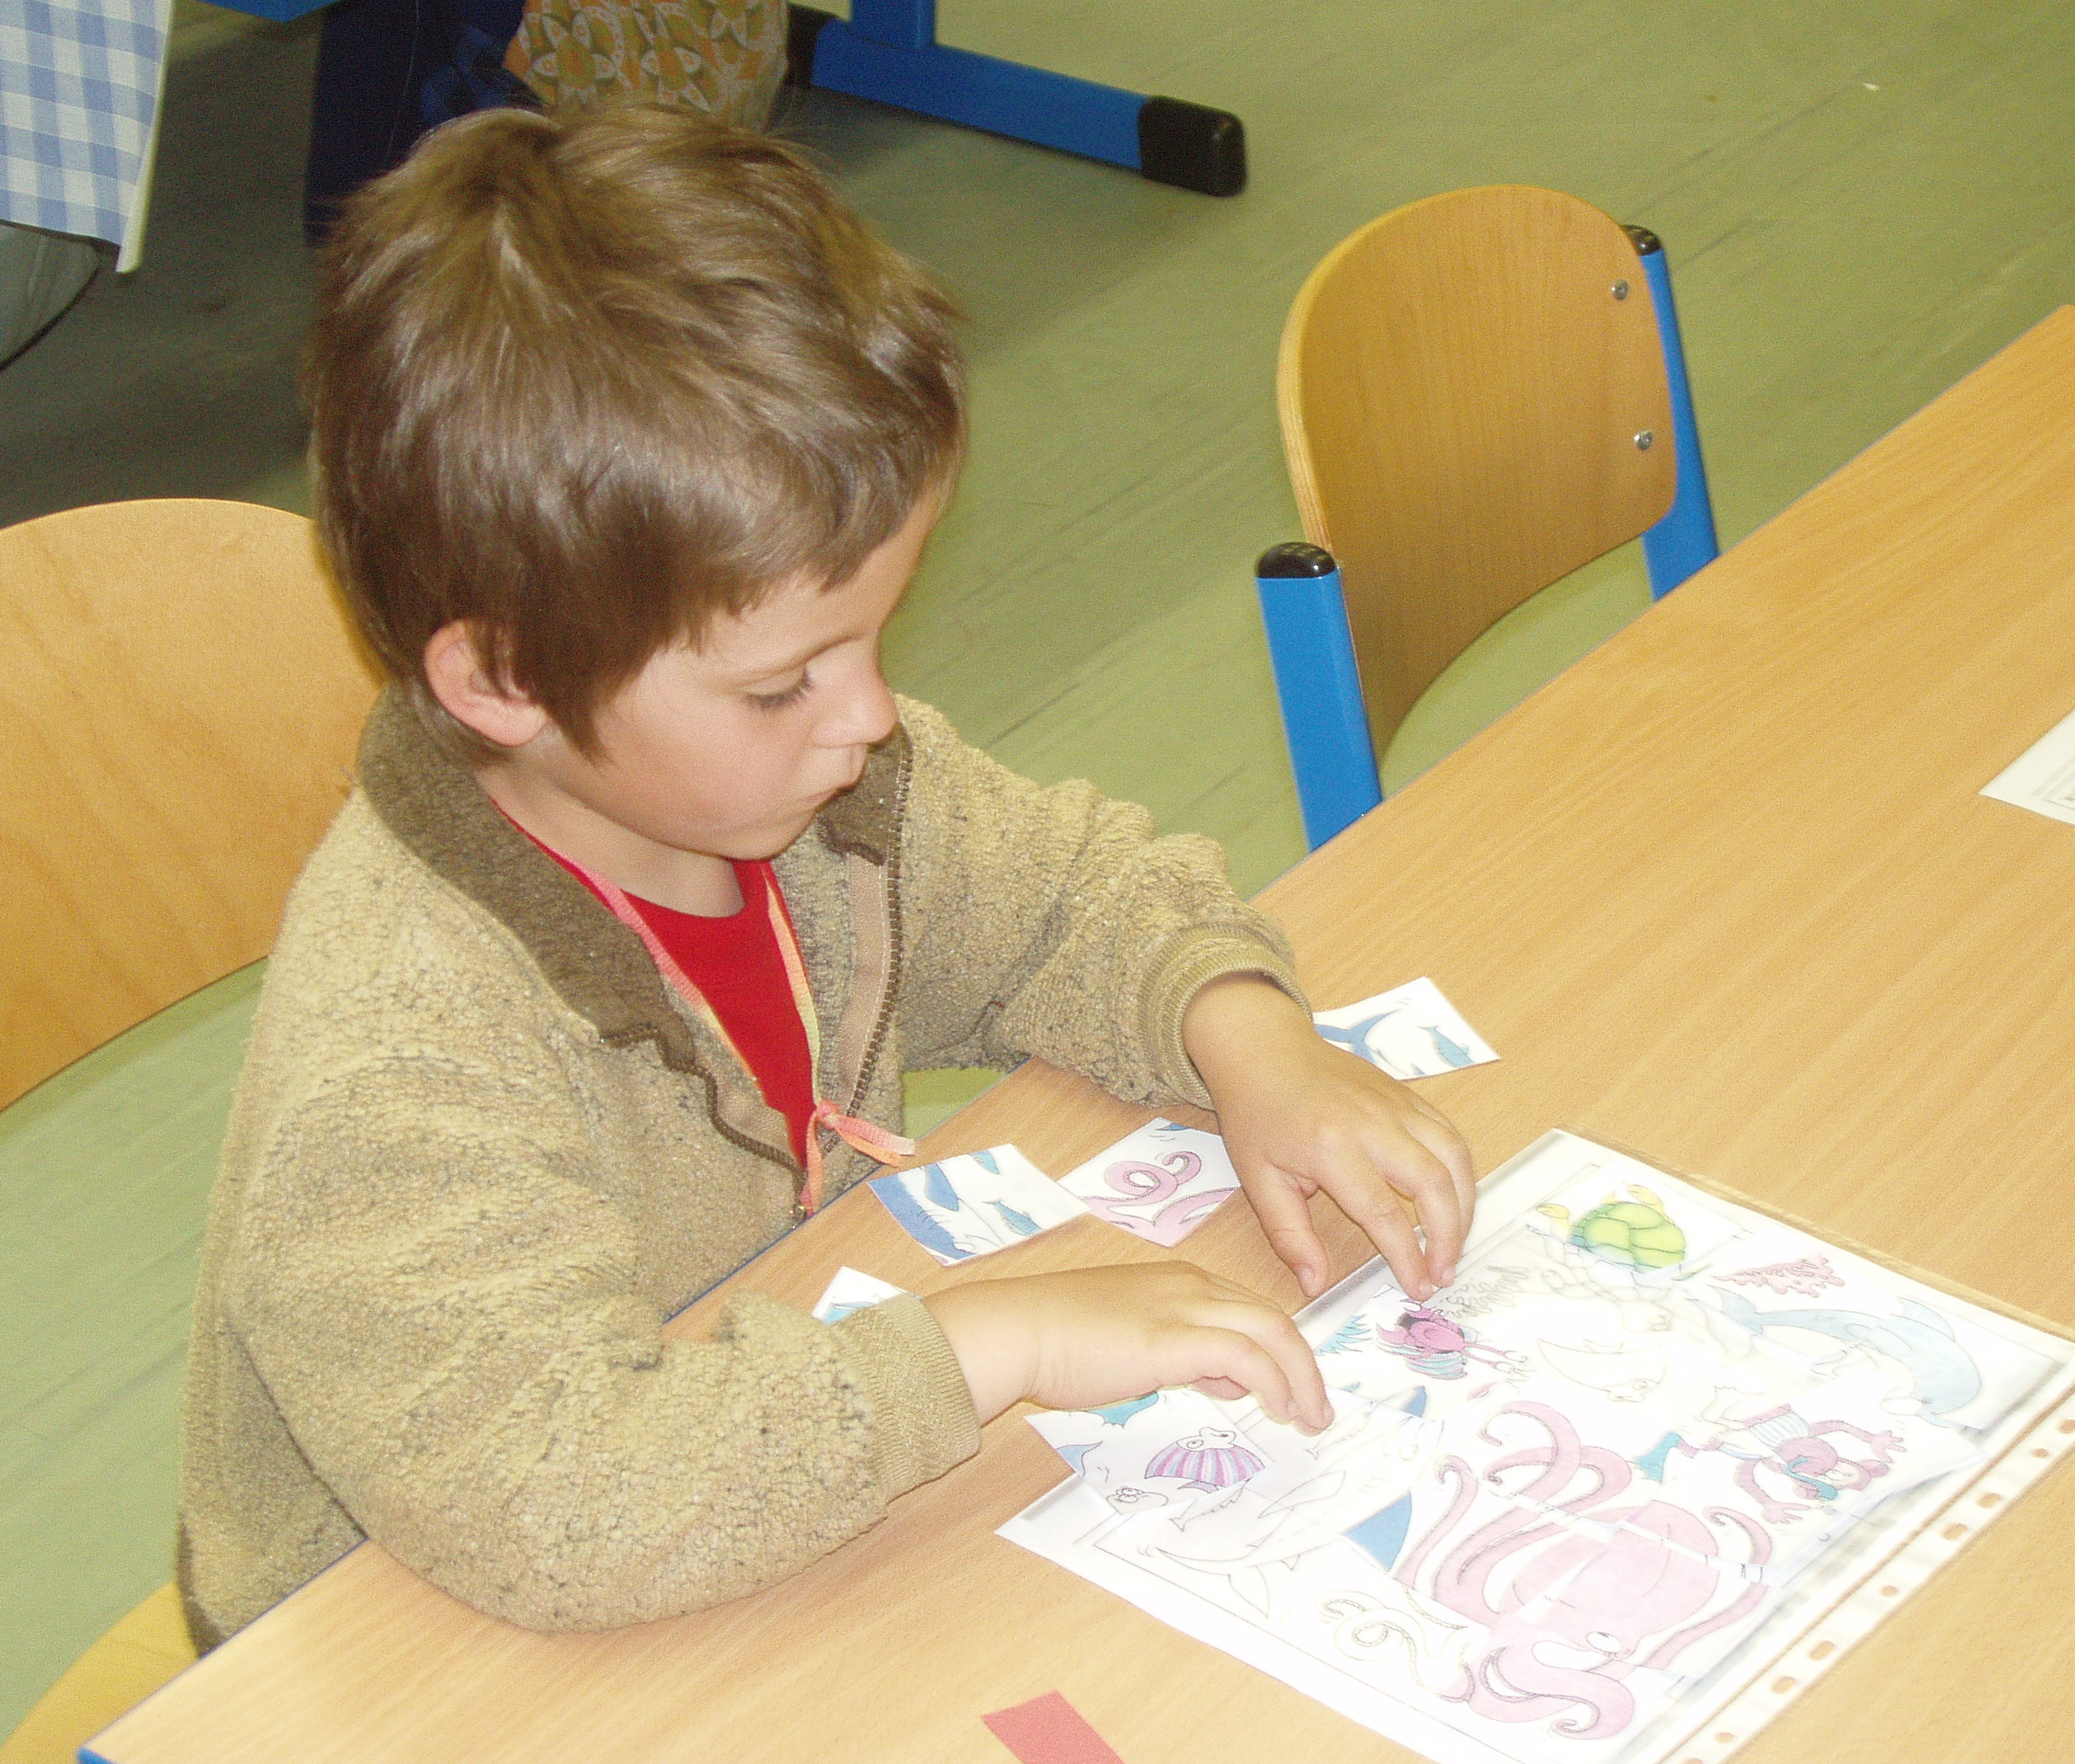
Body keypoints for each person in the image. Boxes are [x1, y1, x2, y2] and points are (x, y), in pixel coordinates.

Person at [177, 101, 1473, 1652]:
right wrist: (998, 1347)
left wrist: (1251, 1041)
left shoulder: (795, 789)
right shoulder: (401, 1058)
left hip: (756, 1452)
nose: (868, 716)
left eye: (873, 636)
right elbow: (563, 1504)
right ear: (507, 680)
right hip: (409, 1647)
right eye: (785, 680)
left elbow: (1065, 896)